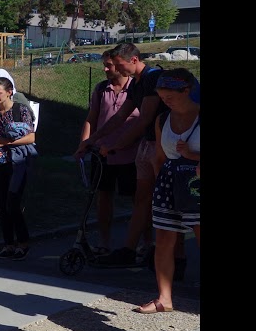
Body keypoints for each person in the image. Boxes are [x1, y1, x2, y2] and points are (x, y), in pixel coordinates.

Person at [77, 43, 165, 268]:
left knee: (162, 204)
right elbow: (118, 118)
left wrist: (116, 145)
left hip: (161, 146)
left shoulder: (152, 79)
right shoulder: (136, 84)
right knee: (142, 201)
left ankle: (159, 250)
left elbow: (143, 119)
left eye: (118, 64)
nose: (114, 68)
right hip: (147, 145)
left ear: (134, 60)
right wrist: (91, 141)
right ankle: (129, 249)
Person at [134, 68, 200, 315]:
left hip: (196, 183)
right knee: (163, 239)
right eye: (162, 97)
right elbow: (160, 157)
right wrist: (159, 181)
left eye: (170, 96)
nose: (166, 101)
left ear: (186, 90)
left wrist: (192, 155)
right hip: (169, 180)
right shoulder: (163, 119)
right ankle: (164, 297)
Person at [74, 49, 143, 254]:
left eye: (109, 65)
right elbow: (92, 117)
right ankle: (104, 242)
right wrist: (84, 144)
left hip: (131, 154)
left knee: (138, 199)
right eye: (104, 64)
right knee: (103, 197)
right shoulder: (101, 88)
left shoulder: (137, 88)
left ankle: (146, 243)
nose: (105, 69)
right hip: (102, 153)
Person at [0, 75, 37, 259]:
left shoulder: (21, 110)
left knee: (13, 204)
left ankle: (23, 242)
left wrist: (6, 142)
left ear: (9, 92)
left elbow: (31, 137)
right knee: (1, 205)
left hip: (17, 163)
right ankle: (8, 243)